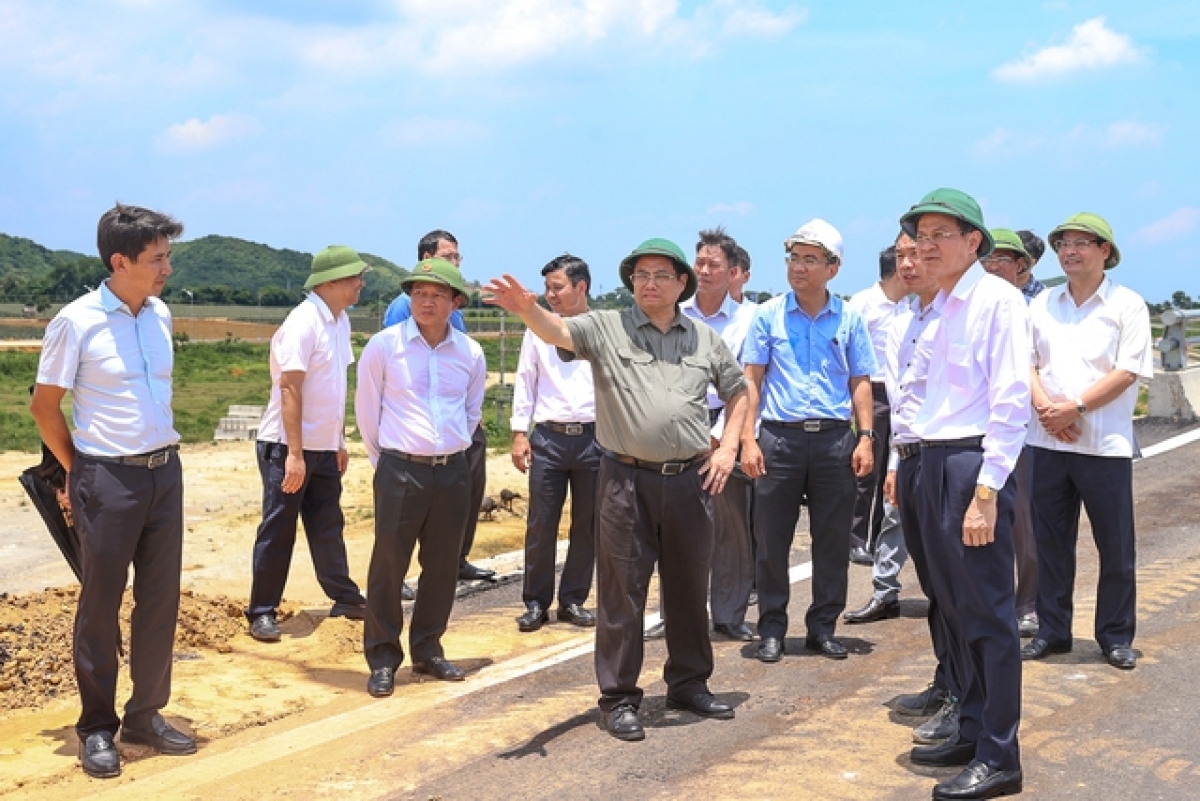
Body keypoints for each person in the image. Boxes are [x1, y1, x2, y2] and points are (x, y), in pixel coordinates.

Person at [485, 237, 749, 742]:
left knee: (690, 588)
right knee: (621, 592)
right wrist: (527, 309)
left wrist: (727, 448)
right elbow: (557, 329)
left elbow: (739, 391)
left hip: (690, 480)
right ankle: (620, 698)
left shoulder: (703, 339)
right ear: (630, 282)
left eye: (661, 275)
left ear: (680, 285)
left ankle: (689, 684)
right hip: (625, 480)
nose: (650, 283)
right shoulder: (607, 327)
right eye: (641, 275)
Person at [30, 203, 196, 779]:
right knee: (101, 601)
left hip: (163, 472)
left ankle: (146, 715)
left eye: (168, 257)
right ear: (119, 261)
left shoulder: (160, 315)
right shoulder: (75, 322)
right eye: (157, 259)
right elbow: (44, 406)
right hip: (108, 476)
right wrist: (76, 470)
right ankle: (97, 727)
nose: (166, 268)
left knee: (160, 598)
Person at [899, 188, 1030, 800]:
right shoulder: (943, 305)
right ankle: (974, 728)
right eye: (920, 236)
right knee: (953, 610)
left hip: (969, 464)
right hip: (931, 461)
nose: (926, 246)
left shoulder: (998, 301)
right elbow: (922, 393)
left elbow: (1010, 402)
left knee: (988, 616)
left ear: (973, 242)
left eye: (939, 235)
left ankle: (1001, 756)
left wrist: (985, 491)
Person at [741, 218, 876, 664]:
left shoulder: (850, 317)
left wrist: (866, 437)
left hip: (835, 439)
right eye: (794, 258)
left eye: (810, 260)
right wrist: (749, 439)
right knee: (771, 539)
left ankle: (822, 627)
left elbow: (860, 381)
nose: (799, 267)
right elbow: (752, 381)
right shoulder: (768, 315)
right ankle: (773, 629)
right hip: (779, 439)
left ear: (832, 268)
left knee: (832, 540)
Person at [1022, 213, 1153, 671]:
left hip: (1103, 446)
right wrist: (1047, 411)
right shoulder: (1042, 304)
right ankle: (1053, 631)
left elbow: (1127, 372)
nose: (1070, 250)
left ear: (1105, 252)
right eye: (1064, 243)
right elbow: (1027, 364)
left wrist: (1073, 408)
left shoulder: (1127, 305)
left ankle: (1115, 635)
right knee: (1050, 545)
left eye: (1081, 243)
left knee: (1115, 547)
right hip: (1047, 443)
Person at [356, 258, 487, 697]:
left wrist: (450, 448)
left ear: (455, 302)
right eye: (418, 293)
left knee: (443, 565)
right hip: (399, 469)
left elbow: (472, 411)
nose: (425, 302)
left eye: (435, 294)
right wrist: (389, 462)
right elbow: (366, 412)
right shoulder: (384, 346)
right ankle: (382, 658)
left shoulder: (470, 353)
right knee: (389, 564)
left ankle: (428, 649)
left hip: (452, 471)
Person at [245, 246, 369, 642]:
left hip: (323, 446)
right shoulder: (303, 322)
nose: (360, 285)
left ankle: (345, 596)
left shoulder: (339, 320)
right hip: (286, 446)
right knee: (279, 527)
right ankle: (262, 610)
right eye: (354, 278)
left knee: (328, 523)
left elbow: (335, 388)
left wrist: (338, 440)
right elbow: (290, 389)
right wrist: (295, 455)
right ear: (330, 282)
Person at [882, 232, 963, 747]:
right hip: (910, 461)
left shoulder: (957, 318)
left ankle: (965, 697)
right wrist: (894, 462)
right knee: (934, 586)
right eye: (901, 255)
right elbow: (902, 402)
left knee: (960, 591)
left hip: (946, 462)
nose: (908, 263)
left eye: (917, 253)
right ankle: (947, 678)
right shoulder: (903, 321)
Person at [382, 229, 492, 588]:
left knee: (466, 497)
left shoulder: (454, 316)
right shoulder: (404, 308)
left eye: (458, 258)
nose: (456, 263)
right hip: (416, 436)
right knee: (408, 516)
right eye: (450, 257)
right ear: (426, 260)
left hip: (456, 429)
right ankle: (397, 576)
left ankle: (457, 558)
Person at [510, 254, 598, 632]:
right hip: (548, 438)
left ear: (581, 287)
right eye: (547, 288)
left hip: (596, 440)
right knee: (541, 523)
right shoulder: (537, 327)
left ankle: (573, 600)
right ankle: (535, 602)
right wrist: (518, 432)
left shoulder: (603, 327)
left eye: (557, 287)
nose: (550, 295)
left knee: (589, 525)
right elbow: (525, 379)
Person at [681, 227, 759, 641]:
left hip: (728, 426)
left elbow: (747, 385)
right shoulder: (676, 313)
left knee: (729, 528)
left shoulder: (751, 319)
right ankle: (679, 612)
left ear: (733, 271)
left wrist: (725, 438)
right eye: (700, 263)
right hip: (679, 428)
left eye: (714, 264)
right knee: (678, 527)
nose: (705, 270)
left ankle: (729, 614)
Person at [981, 229, 1046, 639]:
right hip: (977, 431)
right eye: (986, 259)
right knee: (984, 522)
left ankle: (1028, 604)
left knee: (1025, 523)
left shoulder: (1037, 307)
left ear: (1021, 265)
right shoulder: (972, 305)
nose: (991, 266)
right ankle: (992, 601)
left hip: (1024, 431)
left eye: (1000, 259)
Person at [844, 245, 910, 620]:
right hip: (872, 391)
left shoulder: (909, 306)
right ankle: (856, 539)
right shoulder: (864, 303)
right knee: (866, 467)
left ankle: (872, 538)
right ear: (894, 271)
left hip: (900, 392)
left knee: (892, 473)